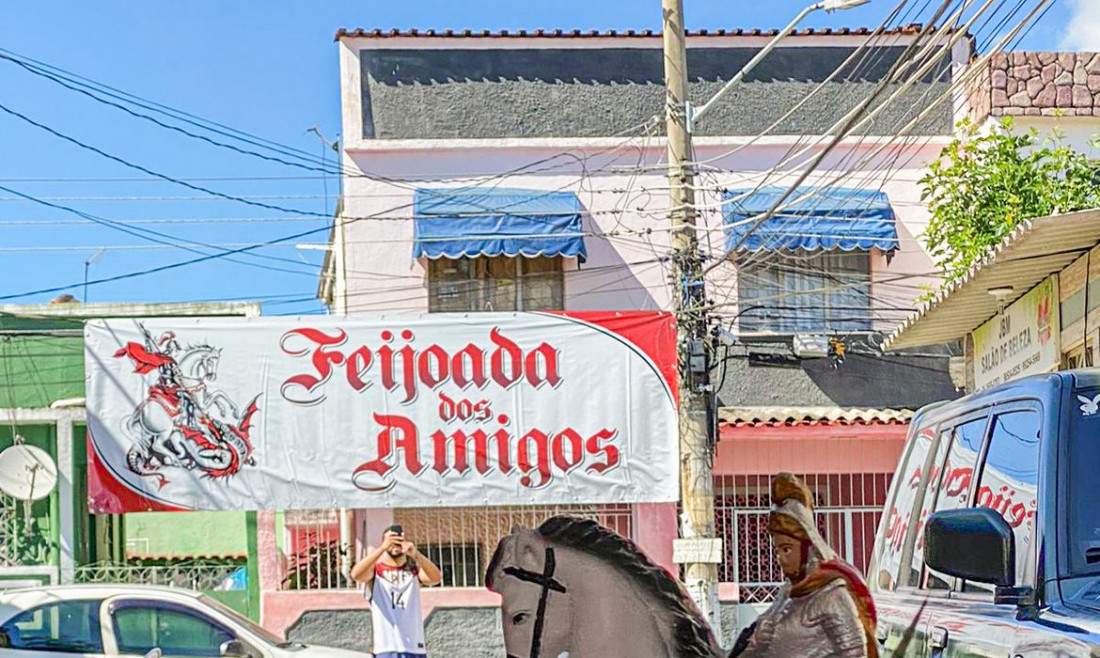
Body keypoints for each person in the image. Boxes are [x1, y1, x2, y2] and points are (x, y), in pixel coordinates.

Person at [733, 473, 878, 658]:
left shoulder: (832, 596)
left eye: (787, 549)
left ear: (808, 547)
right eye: (777, 550)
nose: (780, 558)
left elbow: (855, 654)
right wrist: (756, 643)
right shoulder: (787, 593)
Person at [350, 525, 443, 658]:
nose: (395, 544)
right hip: (385, 647)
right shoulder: (376, 572)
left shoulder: (413, 571)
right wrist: (382, 548)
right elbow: (356, 574)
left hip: (414, 647)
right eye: (391, 540)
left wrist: (416, 554)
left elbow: (436, 578)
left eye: (399, 540)